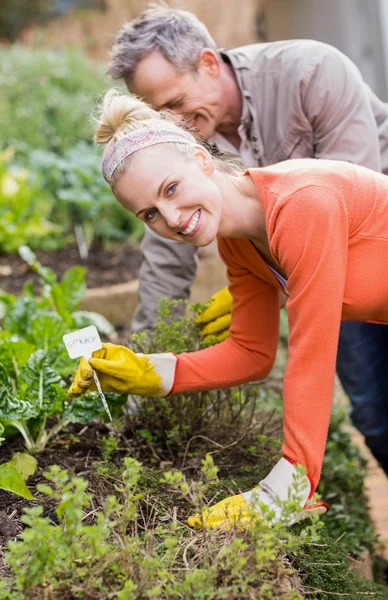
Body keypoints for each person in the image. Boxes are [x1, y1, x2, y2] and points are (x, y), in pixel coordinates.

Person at [71, 90, 388, 528]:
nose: (172, 219)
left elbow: (311, 355)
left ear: (201, 160)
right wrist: (151, 371)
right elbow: (252, 353)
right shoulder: (238, 245)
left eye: (172, 189)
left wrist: (288, 489)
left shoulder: (303, 205)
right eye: (150, 214)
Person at [108, 6, 388, 476]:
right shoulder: (213, 215)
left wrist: (289, 486)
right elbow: (169, 261)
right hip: (317, 269)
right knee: (375, 414)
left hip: (358, 238)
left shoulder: (310, 72)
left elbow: (337, 205)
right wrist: (147, 364)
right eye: (159, 114)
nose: (171, 122)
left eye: (175, 104)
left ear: (209, 65)